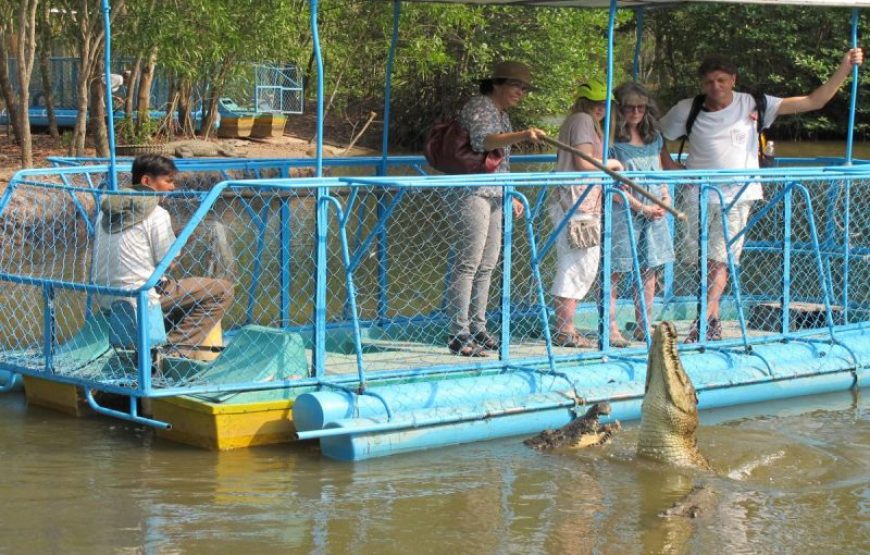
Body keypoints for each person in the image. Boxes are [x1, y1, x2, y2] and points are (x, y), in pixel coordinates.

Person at [659, 48, 863, 343]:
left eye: (721, 80)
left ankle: (704, 320)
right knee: (702, 260)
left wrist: (845, 67)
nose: (715, 87)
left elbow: (813, 101)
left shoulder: (754, 103)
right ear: (701, 84)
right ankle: (710, 317)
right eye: (709, 82)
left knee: (720, 259)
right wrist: (670, 166)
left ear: (733, 80)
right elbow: (654, 133)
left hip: (739, 194)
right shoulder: (687, 109)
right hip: (697, 194)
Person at [446, 61, 546, 357]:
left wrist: (509, 192)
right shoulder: (479, 106)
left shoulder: (501, 114)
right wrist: (525, 135)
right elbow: (483, 142)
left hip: (495, 195)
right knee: (468, 263)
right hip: (471, 192)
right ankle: (458, 332)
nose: (522, 93)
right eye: (517, 86)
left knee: (488, 264)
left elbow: (500, 162)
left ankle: (479, 327)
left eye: (525, 89)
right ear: (498, 84)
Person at [92, 154, 234, 356]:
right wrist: (183, 239)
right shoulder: (157, 214)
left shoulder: (106, 213)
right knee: (222, 290)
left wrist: (174, 236)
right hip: (141, 295)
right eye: (168, 181)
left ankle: (156, 344)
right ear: (147, 181)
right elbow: (169, 262)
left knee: (185, 294)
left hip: (106, 295)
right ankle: (173, 352)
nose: (172, 187)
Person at [549, 80, 623, 348]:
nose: (601, 108)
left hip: (581, 202)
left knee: (581, 265)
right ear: (584, 103)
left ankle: (565, 328)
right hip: (576, 204)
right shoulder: (582, 120)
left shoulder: (583, 121)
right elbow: (584, 162)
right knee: (577, 266)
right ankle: (565, 330)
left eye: (604, 103)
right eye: (596, 103)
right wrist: (613, 164)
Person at [608, 82, 682, 347]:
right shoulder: (611, 140)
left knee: (649, 269)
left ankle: (643, 325)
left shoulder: (654, 138)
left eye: (641, 107)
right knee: (614, 269)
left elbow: (659, 172)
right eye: (630, 107)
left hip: (654, 211)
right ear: (620, 109)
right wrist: (641, 207)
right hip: (622, 211)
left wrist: (665, 198)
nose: (636, 112)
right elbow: (611, 186)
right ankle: (611, 327)